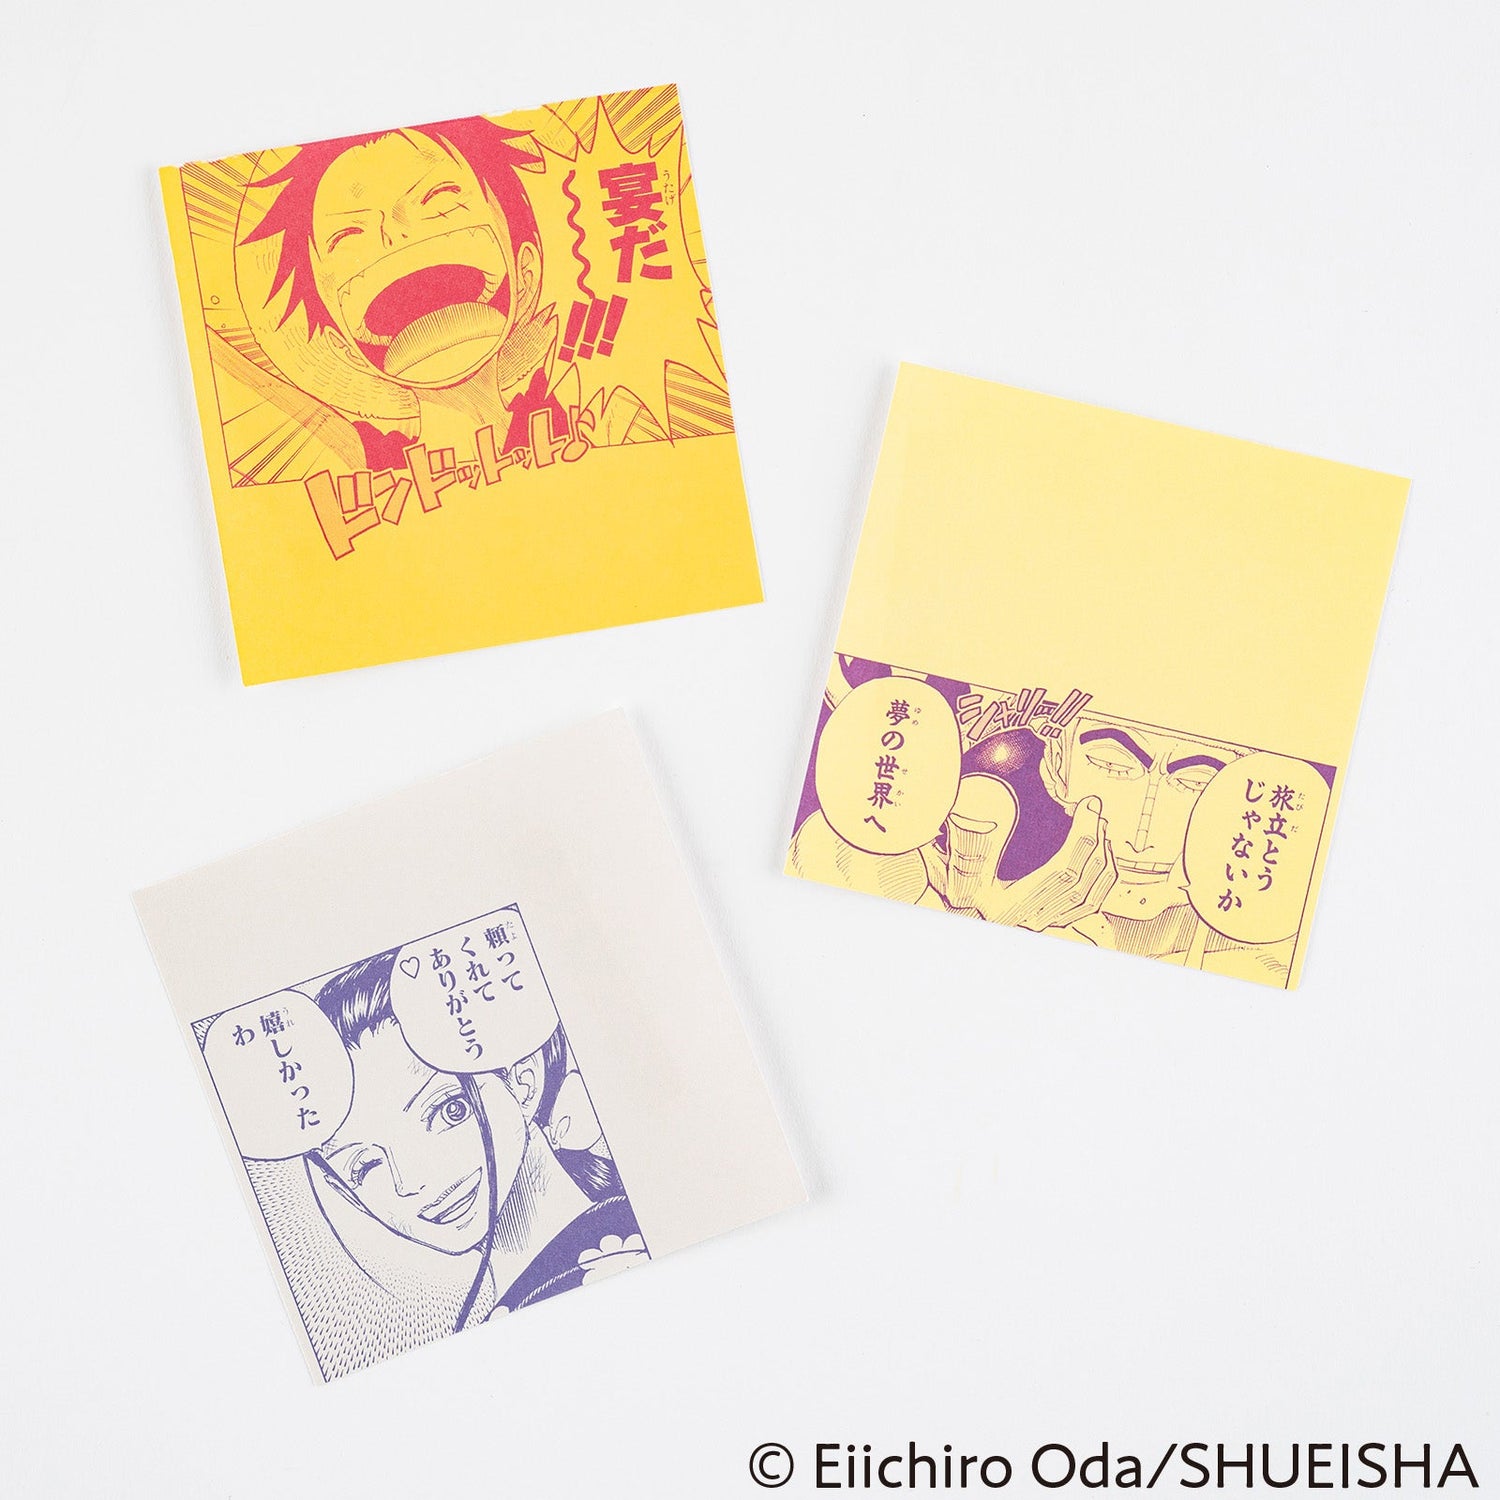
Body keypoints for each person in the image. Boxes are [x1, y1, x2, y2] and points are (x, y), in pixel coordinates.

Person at [306, 950, 645, 1328]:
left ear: (523, 1082)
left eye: (450, 1111)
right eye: (366, 1165)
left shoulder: (626, 1254)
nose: (410, 1182)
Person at [240, 117, 568, 469]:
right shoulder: (372, 466)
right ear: (340, 344)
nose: (396, 235)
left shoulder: (578, 417)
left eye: (440, 199)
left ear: (525, 272)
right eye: (348, 237)